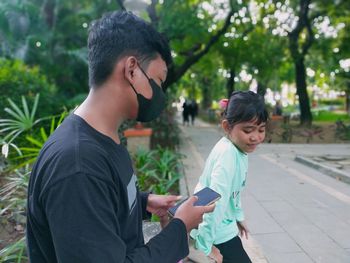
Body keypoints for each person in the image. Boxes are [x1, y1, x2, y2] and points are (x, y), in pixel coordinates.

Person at [26, 11, 214, 263]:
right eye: (158, 82)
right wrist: (181, 227)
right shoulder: (78, 164)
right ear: (132, 69)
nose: (160, 94)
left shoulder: (102, 139)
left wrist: (143, 202)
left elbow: (102, 204)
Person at [190, 91, 268, 263]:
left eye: (261, 129)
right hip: (216, 233)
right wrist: (206, 244)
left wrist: (238, 216)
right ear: (227, 127)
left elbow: (235, 191)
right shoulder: (228, 156)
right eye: (248, 130)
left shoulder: (237, 150)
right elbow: (215, 200)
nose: (256, 137)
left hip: (222, 226)